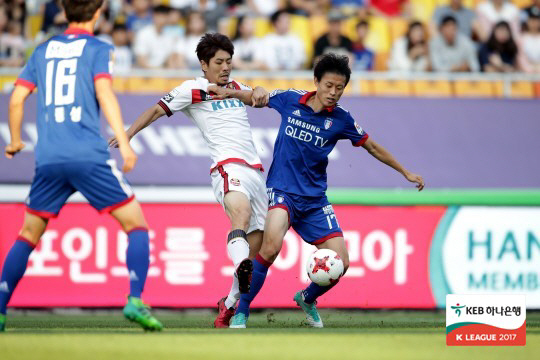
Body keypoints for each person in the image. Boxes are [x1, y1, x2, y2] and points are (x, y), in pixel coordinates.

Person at [211, 53, 424, 328]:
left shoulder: (342, 119)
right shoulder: (290, 99)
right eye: (329, 86)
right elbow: (255, 97)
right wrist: (226, 92)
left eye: (340, 88)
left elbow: (371, 146)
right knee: (271, 246)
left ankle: (307, 297)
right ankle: (243, 310)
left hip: (314, 201)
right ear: (316, 82)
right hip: (282, 191)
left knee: (342, 261)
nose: (333, 93)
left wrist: (404, 171)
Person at [0, 0, 162, 332]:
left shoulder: (42, 50)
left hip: (48, 157)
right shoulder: (98, 48)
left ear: (64, 11)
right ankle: (134, 300)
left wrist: (15, 140)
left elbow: (16, 98)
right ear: (98, 12)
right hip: (88, 155)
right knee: (136, 225)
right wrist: (125, 141)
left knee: (28, 234)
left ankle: (1, 310)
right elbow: (105, 94)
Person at [108, 33, 270, 328]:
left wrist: (258, 88)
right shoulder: (193, 89)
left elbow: (257, 98)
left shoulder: (235, 88)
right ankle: (239, 264)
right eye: (219, 62)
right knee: (241, 216)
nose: (225, 67)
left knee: (256, 244)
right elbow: (157, 109)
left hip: (257, 172)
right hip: (226, 166)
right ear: (204, 64)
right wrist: (129, 134)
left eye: (229, 62)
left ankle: (230, 302)